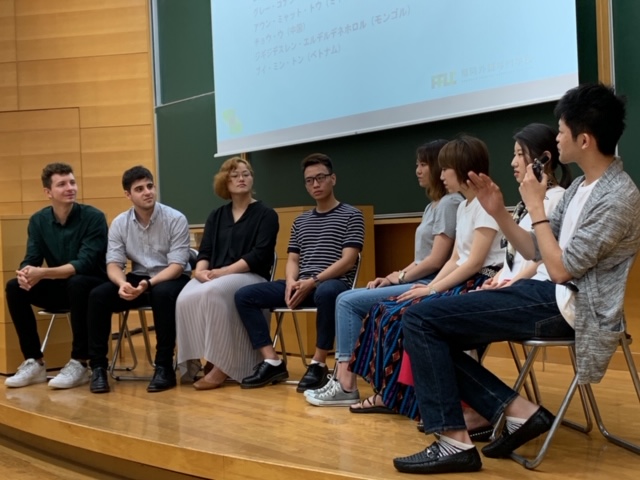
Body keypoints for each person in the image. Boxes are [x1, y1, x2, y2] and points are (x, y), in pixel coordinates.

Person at [393, 83, 640, 475]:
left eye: (561, 131)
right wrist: (501, 212)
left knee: (421, 320)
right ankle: (517, 411)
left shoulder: (619, 197)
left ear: (585, 139)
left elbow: (560, 269)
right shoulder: (580, 186)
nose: (556, 138)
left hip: (574, 308)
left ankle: (455, 440)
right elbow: (534, 251)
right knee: (427, 322)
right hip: (548, 293)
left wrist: (537, 207)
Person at [414, 123, 572, 436]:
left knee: (427, 320)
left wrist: (510, 283)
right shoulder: (526, 205)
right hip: (522, 290)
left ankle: (474, 416)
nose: (513, 162)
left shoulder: (556, 200)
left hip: (541, 295)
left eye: (519, 154)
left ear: (543, 159)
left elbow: (541, 259)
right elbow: (515, 257)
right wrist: (499, 277)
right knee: (431, 319)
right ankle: (488, 409)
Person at [336, 136, 504, 417]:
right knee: (383, 312)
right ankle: (390, 394)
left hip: (479, 282)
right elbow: (454, 259)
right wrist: (432, 288)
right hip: (458, 280)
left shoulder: (485, 206)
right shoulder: (463, 207)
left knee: (402, 315)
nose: (441, 174)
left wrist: (431, 290)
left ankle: (410, 399)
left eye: (445, 168)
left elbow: (474, 263)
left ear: (462, 169)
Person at [304, 139, 462, 406]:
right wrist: (393, 275)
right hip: (420, 278)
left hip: (433, 283)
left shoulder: (450, 203)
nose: (418, 170)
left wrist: (399, 278)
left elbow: (436, 261)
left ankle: (345, 382)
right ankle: (347, 380)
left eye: (423, 164)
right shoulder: (432, 205)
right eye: (417, 164)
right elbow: (420, 259)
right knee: (355, 296)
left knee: (346, 301)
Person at [235, 153, 365, 391]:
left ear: (333, 179)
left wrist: (313, 281)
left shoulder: (352, 215)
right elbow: (293, 258)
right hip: (301, 283)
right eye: (309, 180)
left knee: (327, 293)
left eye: (321, 178)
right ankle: (272, 360)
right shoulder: (301, 221)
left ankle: (318, 363)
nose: (315, 184)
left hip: (332, 284)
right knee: (244, 296)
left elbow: (348, 261)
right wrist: (291, 282)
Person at [175, 157, 279, 390]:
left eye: (246, 173)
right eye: (235, 175)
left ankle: (222, 365)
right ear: (225, 181)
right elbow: (206, 250)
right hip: (215, 275)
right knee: (184, 297)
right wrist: (199, 272)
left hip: (251, 276)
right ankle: (195, 361)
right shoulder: (216, 215)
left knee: (213, 292)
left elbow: (259, 255)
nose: (241, 178)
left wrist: (223, 272)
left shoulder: (266, 214)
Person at [87, 166, 191, 394]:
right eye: (140, 189)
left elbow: (177, 266)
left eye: (150, 186)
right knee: (98, 296)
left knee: (162, 294)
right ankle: (97, 368)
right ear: (128, 195)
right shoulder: (120, 223)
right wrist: (122, 284)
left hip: (172, 277)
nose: (147, 192)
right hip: (139, 276)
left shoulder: (175, 219)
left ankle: (164, 367)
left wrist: (148, 285)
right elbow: (113, 263)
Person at [4, 163, 108, 389]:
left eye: (72, 182)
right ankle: (34, 361)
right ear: (48, 192)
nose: (70, 188)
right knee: (14, 287)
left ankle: (80, 363)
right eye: (62, 184)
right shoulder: (39, 221)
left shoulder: (94, 217)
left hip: (92, 287)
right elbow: (31, 257)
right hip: (62, 286)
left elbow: (84, 263)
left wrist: (43, 273)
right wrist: (26, 273)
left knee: (77, 282)